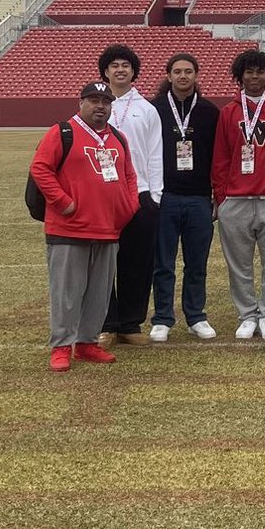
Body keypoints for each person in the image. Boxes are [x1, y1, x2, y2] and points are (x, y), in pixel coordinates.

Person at [29, 81, 139, 371]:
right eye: (93, 100)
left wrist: (128, 207)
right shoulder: (62, 132)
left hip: (108, 228)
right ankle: (61, 345)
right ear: (81, 103)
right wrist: (64, 202)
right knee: (66, 293)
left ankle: (87, 343)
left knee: (99, 293)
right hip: (69, 230)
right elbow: (40, 168)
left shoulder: (117, 137)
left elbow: (129, 175)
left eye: (105, 101)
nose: (100, 106)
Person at [211, 49, 265, 340]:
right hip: (236, 200)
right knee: (239, 264)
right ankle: (247, 314)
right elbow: (221, 156)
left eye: (259, 71)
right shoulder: (229, 112)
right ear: (240, 76)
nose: (254, 77)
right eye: (249, 71)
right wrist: (221, 196)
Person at [148, 52, 220, 342]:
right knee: (162, 262)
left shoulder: (209, 112)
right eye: (177, 71)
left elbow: (218, 157)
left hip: (200, 198)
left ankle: (196, 316)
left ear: (196, 75)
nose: (182, 76)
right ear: (168, 76)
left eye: (188, 71)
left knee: (196, 262)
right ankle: (163, 318)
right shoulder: (154, 110)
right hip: (165, 197)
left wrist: (216, 194)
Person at [97, 44, 163, 348]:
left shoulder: (146, 109)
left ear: (134, 71)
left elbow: (155, 155)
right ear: (106, 72)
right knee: (102, 262)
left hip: (139, 195)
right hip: (102, 196)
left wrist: (155, 195)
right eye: (114, 65)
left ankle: (130, 322)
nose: (120, 70)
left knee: (137, 261)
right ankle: (106, 323)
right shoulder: (94, 108)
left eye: (126, 65)